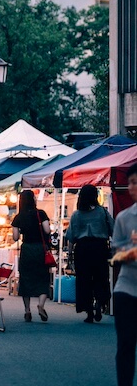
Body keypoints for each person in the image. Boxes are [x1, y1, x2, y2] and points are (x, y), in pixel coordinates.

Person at [67, 184, 114, 323]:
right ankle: (100, 303)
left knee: (84, 280)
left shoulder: (76, 215)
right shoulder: (102, 212)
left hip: (82, 249)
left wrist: (69, 255)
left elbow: (71, 237)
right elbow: (112, 228)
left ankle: (88, 311)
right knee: (101, 277)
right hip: (100, 248)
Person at [112, 164, 137, 386]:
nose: (131, 188)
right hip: (126, 288)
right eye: (130, 183)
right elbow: (117, 250)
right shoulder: (123, 217)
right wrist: (127, 252)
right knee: (126, 343)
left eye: (135, 183)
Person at [11, 189, 52, 322]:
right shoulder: (41, 214)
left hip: (27, 249)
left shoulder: (18, 217)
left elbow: (16, 237)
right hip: (40, 249)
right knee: (43, 277)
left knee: (26, 278)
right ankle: (41, 305)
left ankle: (27, 310)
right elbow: (46, 230)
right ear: (33, 200)